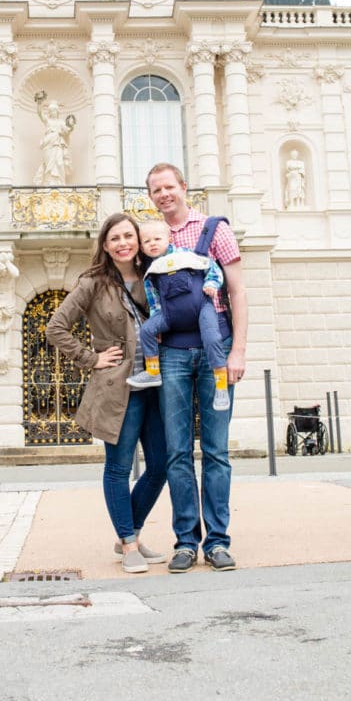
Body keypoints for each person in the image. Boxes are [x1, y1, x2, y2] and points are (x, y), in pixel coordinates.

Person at [46, 213, 168, 574]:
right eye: (114, 238)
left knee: (160, 464)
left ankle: (129, 532)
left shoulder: (155, 275)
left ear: (138, 240)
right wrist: (91, 358)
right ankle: (128, 543)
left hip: (158, 383)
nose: (123, 243)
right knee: (118, 467)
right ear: (105, 245)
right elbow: (56, 327)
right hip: (120, 386)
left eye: (128, 236)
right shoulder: (94, 283)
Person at [146, 162, 248, 573]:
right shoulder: (149, 237)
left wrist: (238, 350)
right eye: (156, 190)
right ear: (151, 197)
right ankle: (186, 541)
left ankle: (218, 541)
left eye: (169, 186)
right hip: (171, 350)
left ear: (184, 188)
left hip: (216, 348)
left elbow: (238, 291)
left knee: (217, 450)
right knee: (176, 452)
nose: (164, 194)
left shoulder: (215, 229)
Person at [125, 219, 230, 410]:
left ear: (169, 238)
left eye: (157, 238)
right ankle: (153, 371)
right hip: (170, 315)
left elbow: (212, 268)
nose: (153, 243)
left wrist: (211, 284)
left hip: (201, 308)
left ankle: (221, 385)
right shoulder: (151, 271)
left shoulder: (186, 255)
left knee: (212, 337)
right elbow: (154, 300)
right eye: (147, 241)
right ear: (141, 246)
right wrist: (157, 322)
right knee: (147, 329)